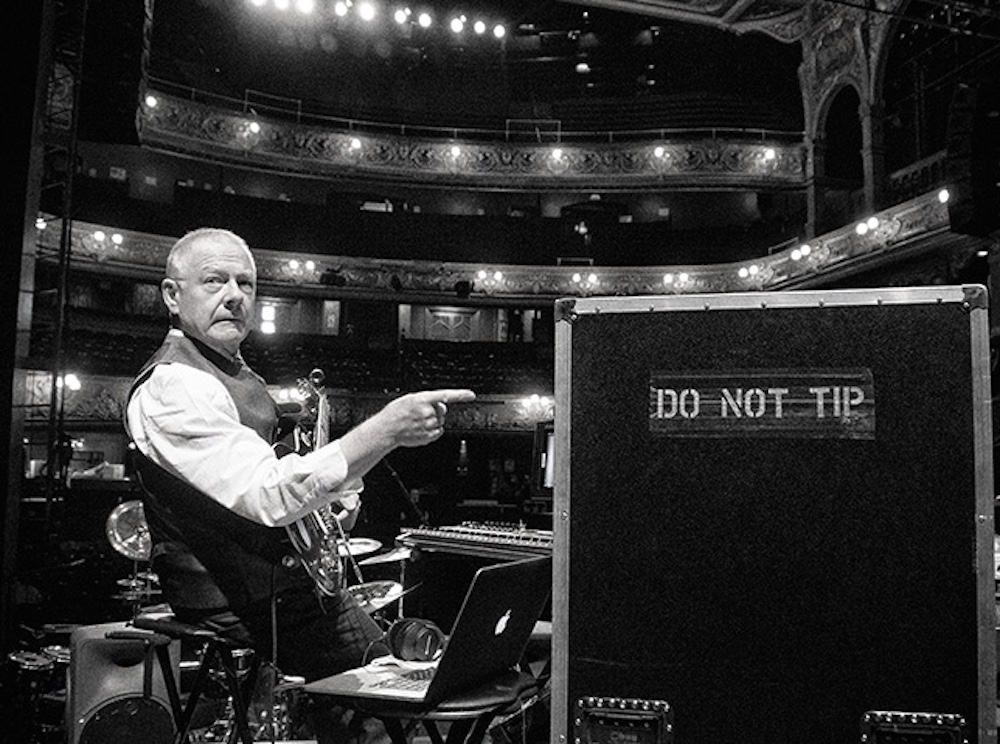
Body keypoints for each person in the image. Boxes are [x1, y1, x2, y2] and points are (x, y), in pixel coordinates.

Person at [124, 227, 474, 736]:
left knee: (399, 689)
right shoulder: (174, 388)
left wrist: (325, 512)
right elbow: (269, 495)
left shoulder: (231, 373)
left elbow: (259, 486)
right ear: (173, 297)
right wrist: (385, 429)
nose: (234, 296)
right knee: (398, 715)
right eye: (214, 281)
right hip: (241, 595)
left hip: (284, 586)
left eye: (245, 283)